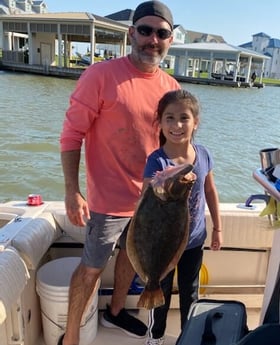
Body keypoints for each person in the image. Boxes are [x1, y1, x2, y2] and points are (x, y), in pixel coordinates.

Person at [59, 1, 180, 344]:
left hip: (149, 201)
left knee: (132, 256)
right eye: (145, 30)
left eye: (161, 33)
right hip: (107, 200)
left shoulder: (170, 88)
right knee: (92, 268)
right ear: (131, 33)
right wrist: (72, 191)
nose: (152, 40)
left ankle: (115, 312)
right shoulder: (100, 75)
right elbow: (71, 135)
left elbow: (171, 144)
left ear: (170, 39)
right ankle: (71, 337)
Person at [142, 89, 223, 345]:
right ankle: (155, 337)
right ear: (160, 122)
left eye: (184, 118)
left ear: (195, 122)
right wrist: (168, 181)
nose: (177, 125)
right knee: (160, 292)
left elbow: (210, 190)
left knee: (191, 294)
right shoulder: (156, 161)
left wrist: (218, 228)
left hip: (194, 241)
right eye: (169, 118)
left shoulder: (203, 154)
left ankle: (190, 336)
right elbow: (147, 203)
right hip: (162, 247)